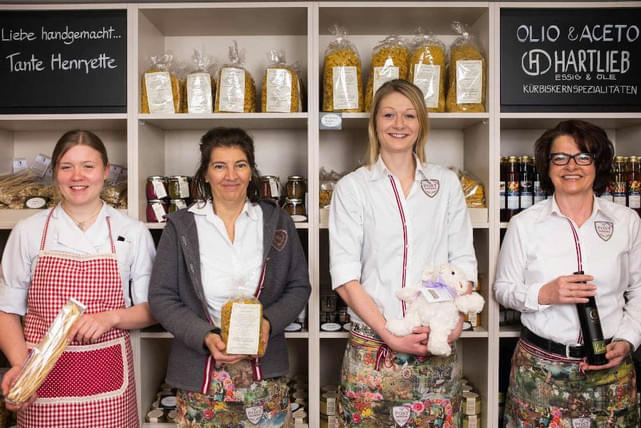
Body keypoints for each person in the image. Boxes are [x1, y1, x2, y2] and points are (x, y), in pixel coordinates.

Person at [329, 79, 477, 427]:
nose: (399, 124)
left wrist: (455, 323)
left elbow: (463, 261)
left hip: (433, 343)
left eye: (409, 115)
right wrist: (388, 332)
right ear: (375, 123)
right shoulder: (353, 188)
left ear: (421, 123)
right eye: (389, 115)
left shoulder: (445, 184)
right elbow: (345, 277)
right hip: (373, 349)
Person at [148, 127, 310, 427]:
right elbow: (161, 296)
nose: (230, 175)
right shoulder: (182, 226)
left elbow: (299, 285)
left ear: (251, 172)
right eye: (219, 166)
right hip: (201, 376)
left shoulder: (276, 221)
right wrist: (205, 336)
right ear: (205, 174)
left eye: (240, 165)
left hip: (265, 373)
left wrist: (268, 323)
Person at [0, 130, 156, 427]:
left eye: (88, 166)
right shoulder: (29, 231)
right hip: (40, 381)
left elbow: (151, 309)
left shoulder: (132, 232)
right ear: (55, 171)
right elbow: (7, 310)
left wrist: (110, 318)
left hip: (109, 387)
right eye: (66, 166)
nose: (77, 176)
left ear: (106, 171)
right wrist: (21, 366)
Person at [494, 120, 640, 426]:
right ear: (547, 167)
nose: (571, 166)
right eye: (560, 157)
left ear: (597, 165)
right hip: (540, 372)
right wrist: (544, 294)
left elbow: (639, 289)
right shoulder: (525, 224)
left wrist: (628, 340)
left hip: (609, 368)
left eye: (583, 157)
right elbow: (503, 289)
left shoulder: (626, 222)